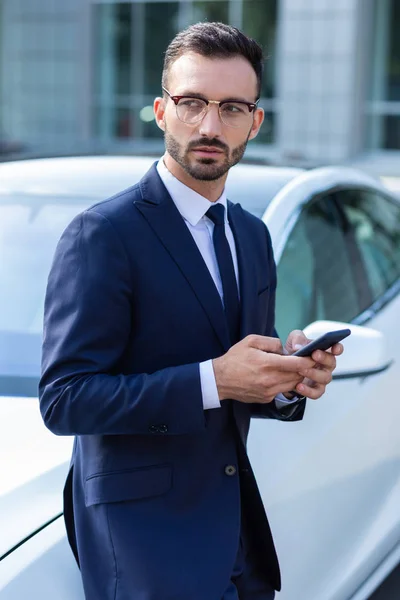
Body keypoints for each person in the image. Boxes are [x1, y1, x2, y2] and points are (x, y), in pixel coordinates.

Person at [39, 22, 343, 600]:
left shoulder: (251, 235)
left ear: (255, 122)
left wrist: (286, 376)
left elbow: (240, 368)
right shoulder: (102, 234)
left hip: (236, 539)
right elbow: (64, 399)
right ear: (160, 109)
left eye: (231, 108)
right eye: (192, 103)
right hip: (145, 547)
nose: (209, 125)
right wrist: (214, 379)